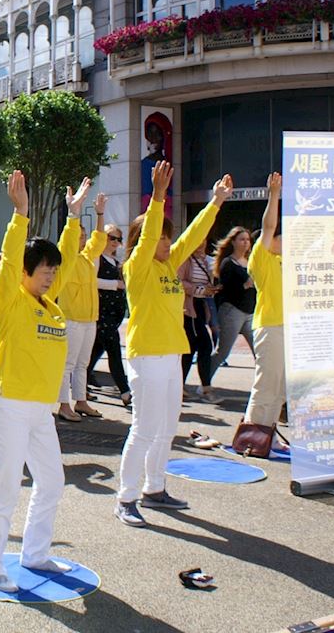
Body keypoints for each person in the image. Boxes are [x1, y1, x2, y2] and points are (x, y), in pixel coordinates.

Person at [0, 171, 87, 592]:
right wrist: (20, 213)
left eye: (53, 271)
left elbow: (70, 260)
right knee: (6, 485)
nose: (51, 277)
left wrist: (73, 218)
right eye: (43, 270)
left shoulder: (51, 307)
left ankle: (35, 554)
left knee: (52, 482)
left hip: (41, 409)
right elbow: (8, 260)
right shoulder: (11, 300)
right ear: (24, 272)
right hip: (8, 403)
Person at [115, 161, 232, 527]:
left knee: (166, 427)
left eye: (168, 237)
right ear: (144, 241)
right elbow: (149, 235)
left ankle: (154, 489)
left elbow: (192, 236)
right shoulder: (137, 267)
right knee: (144, 428)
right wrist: (159, 196)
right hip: (146, 356)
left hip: (171, 356)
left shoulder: (169, 266)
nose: (167, 243)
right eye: (160, 238)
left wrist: (216, 202)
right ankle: (126, 498)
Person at [55, 192, 108, 421]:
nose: (83, 239)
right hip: (71, 318)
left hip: (89, 318)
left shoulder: (86, 258)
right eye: (79, 236)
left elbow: (99, 240)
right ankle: (63, 405)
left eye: (84, 236)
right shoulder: (64, 258)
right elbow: (66, 243)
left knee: (82, 364)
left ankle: (81, 401)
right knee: (67, 364)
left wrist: (100, 214)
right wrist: (73, 214)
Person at [241, 173, 285, 431]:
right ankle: (252, 435)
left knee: (281, 388)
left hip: (291, 329)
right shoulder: (262, 258)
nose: (285, 239)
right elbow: (268, 227)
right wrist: (274, 194)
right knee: (267, 384)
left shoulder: (288, 260)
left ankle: (268, 434)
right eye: (281, 236)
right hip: (270, 326)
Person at [90, 224, 132, 407]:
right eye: (111, 238)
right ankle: (125, 391)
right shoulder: (97, 258)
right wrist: (116, 284)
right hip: (102, 312)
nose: (115, 242)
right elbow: (91, 281)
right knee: (114, 349)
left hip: (115, 313)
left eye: (118, 239)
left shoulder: (116, 261)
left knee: (97, 348)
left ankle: (82, 378)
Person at [180, 242, 221, 403]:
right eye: (197, 241)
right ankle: (205, 388)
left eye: (203, 241)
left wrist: (210, 289)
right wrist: (201, 290)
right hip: (188, 307)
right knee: (204, 345)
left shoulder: (206, 261)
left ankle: (180, 386)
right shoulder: (185, 259)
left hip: (201, 307)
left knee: (191, 348)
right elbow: (179, 281)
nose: (200, 244)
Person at [210, 227, 255, 369]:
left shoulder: (251, 261)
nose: (246, 242)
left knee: (260, 350)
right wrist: (244, 285)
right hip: (232, 311)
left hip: (250, 312)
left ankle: (267, 382)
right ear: (233, 242)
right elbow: (225, 289)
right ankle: (205, 377)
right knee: (223, 352)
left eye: (247, 240)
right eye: (242, 239)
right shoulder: (228, 263)